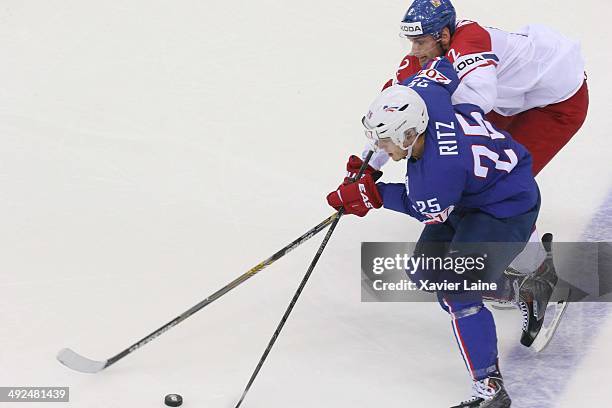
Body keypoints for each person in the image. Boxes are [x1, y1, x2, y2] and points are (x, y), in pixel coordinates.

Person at [327, 57, 556, 407]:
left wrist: (367, 193)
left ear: (409, 135)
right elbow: (439, 67)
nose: (381, 147)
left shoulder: (437, 175)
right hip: (476, 192)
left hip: (507, 208)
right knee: (426, 271)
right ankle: (527, 287)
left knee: (456, 289)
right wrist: (366, 167)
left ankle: (490, 388)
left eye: (386, 141)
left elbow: (419, 205)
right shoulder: (424, 97)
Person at [370, 0, 584, 336]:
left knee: (501, 181)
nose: (414, 51)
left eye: (421, 42)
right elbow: (392, 114)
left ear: (443, 35)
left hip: (556, 103)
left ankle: (538, 273)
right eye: (410, 42)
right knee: (472, 174)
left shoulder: (469, 39)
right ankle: (501, 263)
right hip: (513, 97)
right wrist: (365, 167)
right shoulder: (424, 58)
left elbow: (479, 99)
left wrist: (427, 90)